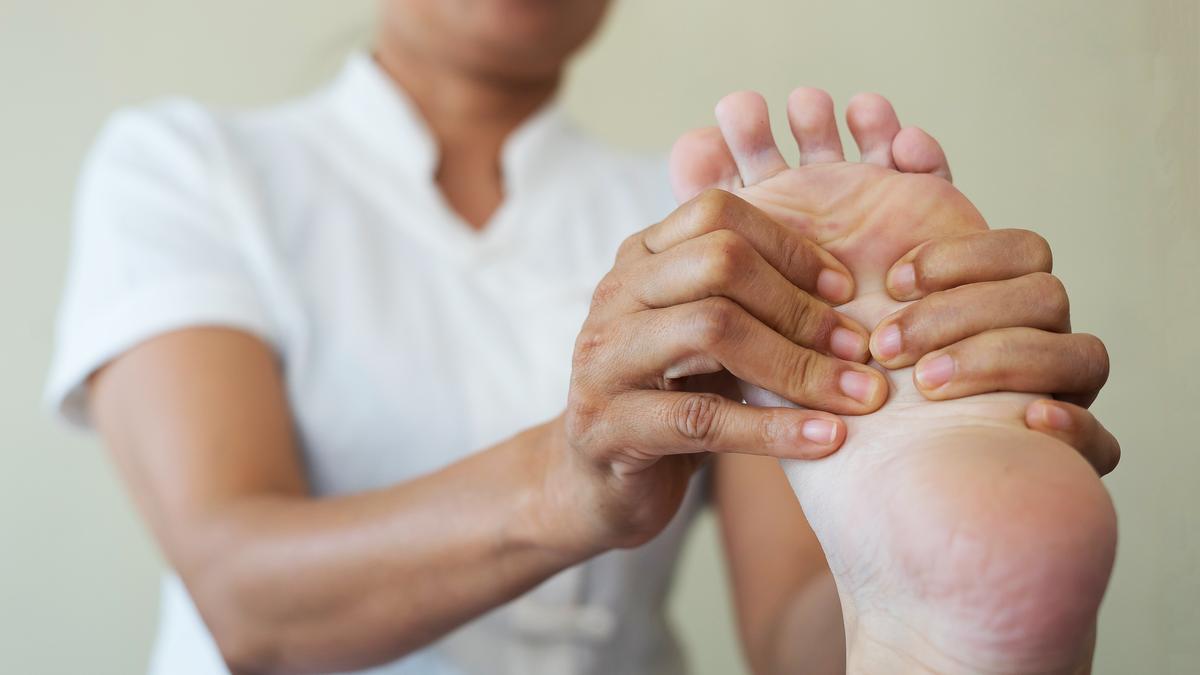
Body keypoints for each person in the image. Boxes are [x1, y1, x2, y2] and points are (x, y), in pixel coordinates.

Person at [44, 2, 1117, 674]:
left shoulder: (721, 214)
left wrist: (919, 517)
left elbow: (796, 631)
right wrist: (570, 479)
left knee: (911, 605)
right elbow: (246, 601)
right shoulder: (189, 167)